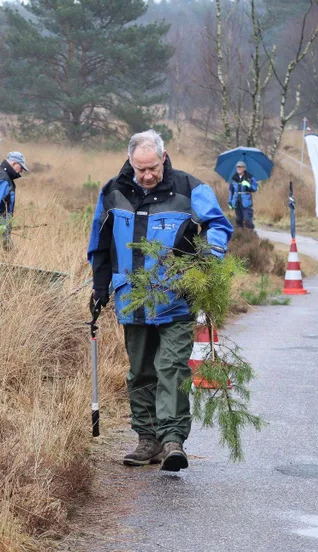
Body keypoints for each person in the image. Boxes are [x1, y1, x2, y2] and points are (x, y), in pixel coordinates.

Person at [87, 129, 233, 472]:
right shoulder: (113, 192)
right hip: (131, 300)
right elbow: (100, 241)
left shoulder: (190, 189)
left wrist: (211, 256)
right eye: (141, 169)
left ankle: (172, 441)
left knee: (171, 367)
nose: (147, 175)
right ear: (131, 162)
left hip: (177, 299)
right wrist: (99, 287)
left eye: (153, 167)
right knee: (140, 372)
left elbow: (218, 225)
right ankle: (147, 440)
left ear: (163, 158)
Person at [227, 160, 258, 228]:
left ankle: (250, 233)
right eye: (237, 167)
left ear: (244, 168)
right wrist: (229, 202)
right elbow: (231, 191)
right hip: (237, 201)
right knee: (238, 220)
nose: (239, 168)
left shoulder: (250, 177)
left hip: (246, 202)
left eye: (240, 167)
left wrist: (248, 185)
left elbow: (255, 188)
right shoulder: (233, 178)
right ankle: (242, 235)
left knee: (247, 220)